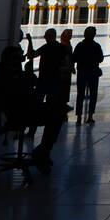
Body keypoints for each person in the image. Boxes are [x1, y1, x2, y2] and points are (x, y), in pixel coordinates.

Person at [25, 28, 70, 171]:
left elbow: (31, 55)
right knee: (53, 113)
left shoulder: (48, 47)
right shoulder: (60, 48)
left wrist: (30, 42)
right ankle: (44, 147)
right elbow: (67, 65)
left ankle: (32, 132)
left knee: (39, 107)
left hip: (44, 83)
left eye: (45, 35)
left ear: (49, 36)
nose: (44, 37)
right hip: (53, 84)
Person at [73, 25, 105, 124]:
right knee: (93, 94)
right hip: (93, 72)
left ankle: (78, 117)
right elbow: (100, 59)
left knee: (80, 94)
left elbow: (74, 58)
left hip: (82, 71)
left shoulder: (80, 45)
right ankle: (90, 116)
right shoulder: (96, 46)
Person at [60, 28, 75, 110]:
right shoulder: (65, 45)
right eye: (69, 34)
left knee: (66, 86)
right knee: (64, 86)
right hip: (65, 69)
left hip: (66, 69)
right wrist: (71, 67)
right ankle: (63, 103)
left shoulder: (67, 44)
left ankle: (64, 102)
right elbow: (67, 57)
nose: (71, 36)